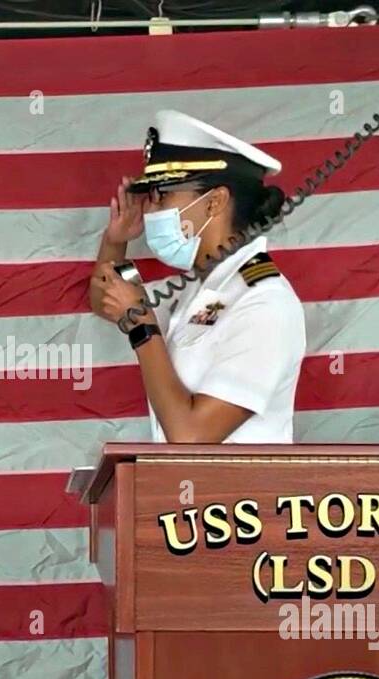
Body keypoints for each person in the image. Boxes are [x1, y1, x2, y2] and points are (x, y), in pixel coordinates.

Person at [88, 110, 307, 444]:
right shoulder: (197, 286)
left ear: (214, 202)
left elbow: (191, 435)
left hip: (239, 496)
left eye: (163, 194)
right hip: (187, 493)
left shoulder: (264, 302)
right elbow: (106, 301)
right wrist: (116, 242)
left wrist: (144, 329)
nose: (150, 210)